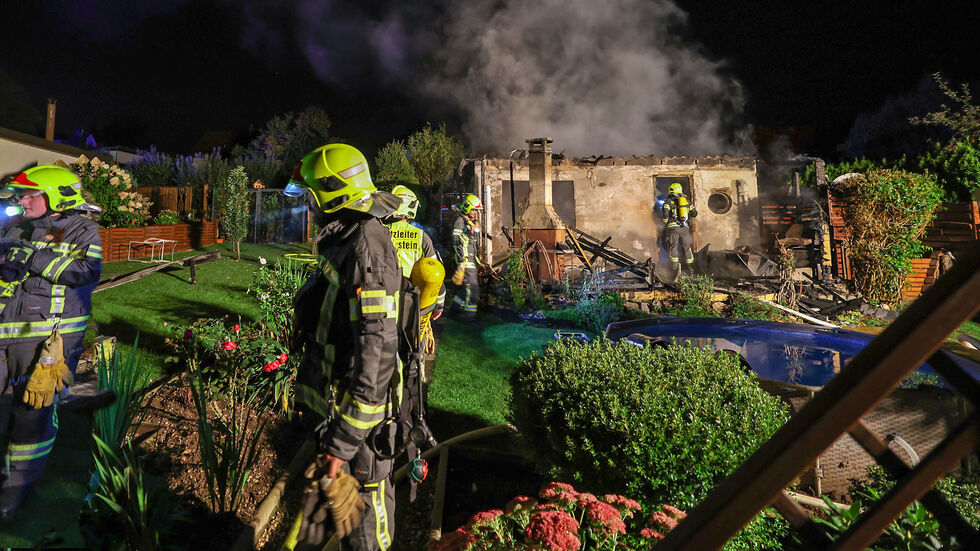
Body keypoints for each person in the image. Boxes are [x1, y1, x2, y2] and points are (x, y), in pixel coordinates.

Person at [286, 143, 405, 550]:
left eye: (311, 197)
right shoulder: (346, 238)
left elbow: (377, 357)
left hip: (360, 436)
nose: (308, 206)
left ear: (333, 195)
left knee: (366, 535)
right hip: (337, 420)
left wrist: (341, 446)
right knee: (327, 526)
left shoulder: (366, 248)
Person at [0, 165, 102, 517]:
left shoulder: (83, 230)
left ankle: (15, 497)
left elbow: (86, 272)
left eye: (30, 195)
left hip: (47, 344)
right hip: (5, 339)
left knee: (33, 420)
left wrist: (33, 256)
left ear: (57, 196)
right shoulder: (19, 227)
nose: (22, 201)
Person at [450, 194, 482, 322]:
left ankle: (453, 311)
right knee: (473, 289)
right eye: (474, 209)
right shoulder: (460, 222)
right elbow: (456, 241)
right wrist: (470, 232)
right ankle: (470, 319)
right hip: (465, 261)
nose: (475, 212)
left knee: (465, 289)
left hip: (471, 260)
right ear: (467, 208)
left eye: (476, 210)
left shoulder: (470, 222)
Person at [660, 182, 697, 280]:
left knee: (673, 247)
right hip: (684, 228)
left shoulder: (668, 201)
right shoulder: (686, 201)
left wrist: (664, 224)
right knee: (686, 247)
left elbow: (665, 214)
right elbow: (694, 213)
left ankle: (674, 268)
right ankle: (691, 269)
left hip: (673, 228)